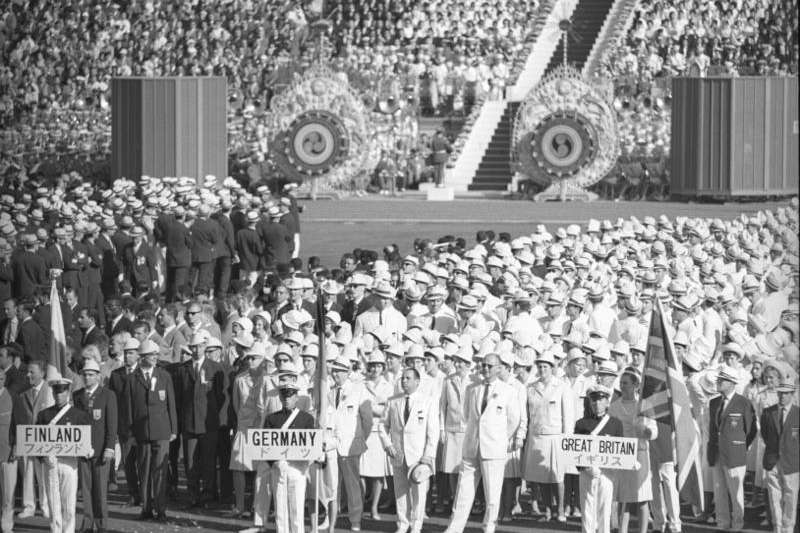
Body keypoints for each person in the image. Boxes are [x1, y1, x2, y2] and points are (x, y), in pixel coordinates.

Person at [444, 352, 521, 533]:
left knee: (492, 494)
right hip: (472, 446)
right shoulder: (472, 389)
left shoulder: (509, 391)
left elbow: (513, 420)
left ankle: (489, 528)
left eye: (490, 366)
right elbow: (466, 415)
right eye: (483, 365)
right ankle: (454, 528)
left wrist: (498, 438)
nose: (485, 369)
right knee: (463, 491)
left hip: (494, 448)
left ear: (499, 368)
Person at [124, 339, 177, 521]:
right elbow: (129, 408)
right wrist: (131, 433)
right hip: (141, 432)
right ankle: (146, 509)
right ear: (143, 357)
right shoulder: (132, 378)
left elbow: (171, 404)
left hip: (162, 430)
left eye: (156, 354)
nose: (155, 357)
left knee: (160, 473)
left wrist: (174, 429)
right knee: (144, 473)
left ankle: (161, 510)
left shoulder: (164, 376)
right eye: (151, 355)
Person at [381, 367, 438, 533]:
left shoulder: (428, 401)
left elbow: (432, 431)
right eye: (402, 378)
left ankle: (416, 526)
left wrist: (428, 455)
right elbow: (382, 425)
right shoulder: (393, 401)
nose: (404, 381)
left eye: (408, 378)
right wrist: (388, 444)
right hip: (398, 453)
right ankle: (402, 523)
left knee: (419, 493)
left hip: (419, 456)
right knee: (400, 492)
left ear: (417, 381)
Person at [522, 350, 576, 522]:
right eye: (540, 366)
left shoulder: (562, 387)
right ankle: (547, 510)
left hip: (555, 438)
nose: (542, 369)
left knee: (557, 477)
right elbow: (528, 416)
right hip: (536, 437)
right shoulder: (530, 387)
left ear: (552, 368)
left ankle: (560, 510)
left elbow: (568, 417)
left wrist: (567, 439)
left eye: (546, 366)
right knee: (541, 478)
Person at [175, 331, 225, 507]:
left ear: (205, 347)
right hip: (189, 422)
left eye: (199, 346)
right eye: (193, 347)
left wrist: (214, 416)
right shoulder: (182, 369)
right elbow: (179, 398)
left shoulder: (215, 368)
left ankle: (209, 495)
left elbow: (221, 397)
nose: (196, 350)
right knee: (190, 462)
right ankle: (192, 495)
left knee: (209, 462)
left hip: (209, 422)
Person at [36, 373, 92, 533]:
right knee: (54, 504)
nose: (58, 395)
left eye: (62, 391)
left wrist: (87, 450)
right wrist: (43, 457)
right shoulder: (44, 415)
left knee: (68, 503)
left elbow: (86, 440)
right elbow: (35, 441)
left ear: (68, 392)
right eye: (56, 391)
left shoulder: (79, 415)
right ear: (52, 393)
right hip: (50, 462)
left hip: (69, 463)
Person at [608, 366, 657, 533]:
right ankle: (623, 530)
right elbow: (610, 429)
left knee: (642, 497)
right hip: (622, 454)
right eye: (621, 383)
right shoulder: (613, 406)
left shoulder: (644, 405)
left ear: (636, 385)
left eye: (626, 383)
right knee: (624, 498)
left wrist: (647, 431)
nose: (622, 386)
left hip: (641, 453)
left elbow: (654, 431)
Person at [708, 365, 757, 531]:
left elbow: (751, 430)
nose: (718, 382)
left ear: (731, 382)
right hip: (716, 453)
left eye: (721, 380)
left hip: (735, 454)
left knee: (736, 493)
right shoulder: (714, 402)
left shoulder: (743, 403)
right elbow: (712, 429)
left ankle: (737, 525)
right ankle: (723, 524)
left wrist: (740, 447)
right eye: (718, 379)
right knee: (719, 492)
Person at [264, 380, 316, 533]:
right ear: (280, 398)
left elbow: (310, 444)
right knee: (280, 509)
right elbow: (265, 446)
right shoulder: (271, 419)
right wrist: (274, 462)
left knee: (297, 508)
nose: (287, 398)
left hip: (297, 467)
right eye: (284, 395)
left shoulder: (306, 419)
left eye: (290, 395)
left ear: (296, 398)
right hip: (278, 466)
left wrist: (305, 463)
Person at [329, 354, 373, 531]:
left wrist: (360, 439)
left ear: (347, 372)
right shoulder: (330, 391)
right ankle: (332, 517)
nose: (335, 374)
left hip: (351, 445)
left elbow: (367, 420)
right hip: (333, 445)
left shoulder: (359, 390)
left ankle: (355, 520)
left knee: (353, 485)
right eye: (334, 371)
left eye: (339, 371)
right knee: (332, 483)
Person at [73, 358, 117, 533]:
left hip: (100, 450)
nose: (87, 378)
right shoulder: (77, 396)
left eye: (91, 374)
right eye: (85, 374)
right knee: (86, 489)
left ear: (98, 376)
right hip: (83, 449)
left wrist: (109, 447)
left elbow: (112, 424)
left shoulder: (108, 395)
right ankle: (87, 522)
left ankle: (101, 524)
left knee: (100, 490)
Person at [574, 384, 624, 533]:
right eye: (594, 401)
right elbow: (575, 451)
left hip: (607, 472)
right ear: (590, 402)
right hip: (587, 471)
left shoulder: (615, 423)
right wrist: (585, 467)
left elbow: (620, 451)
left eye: (601, 400)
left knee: (605, 508)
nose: (597, 404)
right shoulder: (581, 424)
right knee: (587, 509)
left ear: (607, 402)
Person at [760, 378, 799, 533]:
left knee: (791, 497)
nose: (782, 396)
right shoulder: (768, 412)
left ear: (792, 394)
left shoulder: (798, 413)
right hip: (772, 460)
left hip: (792, 462)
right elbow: (764, 434)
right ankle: (777, 527)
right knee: (774, 496)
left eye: (786, 393)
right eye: (780, 393)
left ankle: (788, 527)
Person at [16, 360, 52, 519]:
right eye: (28, 371)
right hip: (28, 439)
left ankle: (45, 506)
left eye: (32, 372)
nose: (28, 375)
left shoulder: (50, 391)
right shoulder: (23, 394)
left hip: (44, 439)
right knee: (28, 473)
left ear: (42, 373)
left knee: (44, 474)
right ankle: (29, 506)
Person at [0, 366, 17, 533]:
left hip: (8, 451)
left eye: (1, 379)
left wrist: (16, 448)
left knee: (8, 494)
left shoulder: (12, 397)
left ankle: (6, 526)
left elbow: (18, 424)